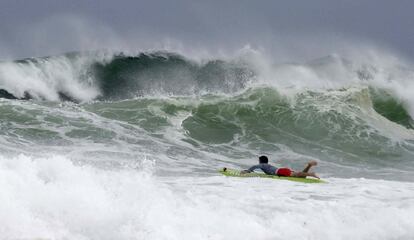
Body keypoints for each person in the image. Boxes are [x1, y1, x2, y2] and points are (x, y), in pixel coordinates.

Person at [240, 155, 319, 179]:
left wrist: (247, 171)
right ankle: (309, 165)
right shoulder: (267, 165)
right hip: (282, 170)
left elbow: (255, 166)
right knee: (301, 176)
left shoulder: (263, 165)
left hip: (281, 172)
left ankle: (312, 174)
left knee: (298, 174)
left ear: (261, 161)